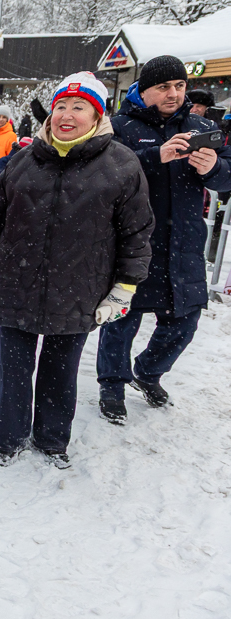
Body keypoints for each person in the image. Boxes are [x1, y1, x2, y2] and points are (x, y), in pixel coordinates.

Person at [0, 72, 155, 468]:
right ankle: (9, 437)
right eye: (60, 107)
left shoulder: (121, 165)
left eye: (79, 107)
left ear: (97, 114)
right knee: (14, 368)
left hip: (80, 287)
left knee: (60, 370)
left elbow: (137, 232)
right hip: (18, 281)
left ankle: (53, 439)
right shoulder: (22, 161)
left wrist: (124, 287)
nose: (66, 115)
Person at [96, 55, 231, 423]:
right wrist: (156, 155)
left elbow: (228, 179)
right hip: (133, 243)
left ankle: (149, 371)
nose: (174, 93)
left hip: (185, 245)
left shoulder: (203, 125)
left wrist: (214, 168)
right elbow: (104, 173)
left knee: (184, 322)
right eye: (164, 87)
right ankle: (112, 384)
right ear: (144, 89)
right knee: (122, 321)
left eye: (180, 86)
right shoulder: (119, 126)